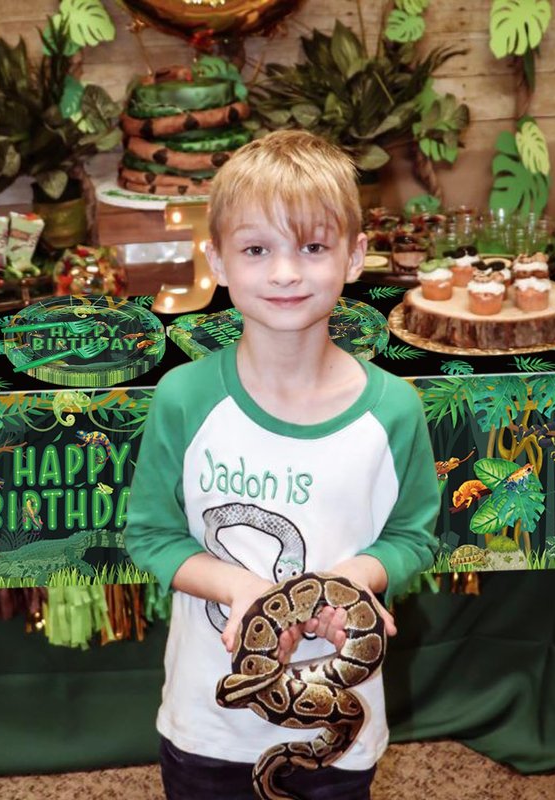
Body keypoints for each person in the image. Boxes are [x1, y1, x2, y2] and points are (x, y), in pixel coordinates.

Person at [124, 129, 440, 799]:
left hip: (341, 728)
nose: (286, 273)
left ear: (355, 257)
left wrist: (353, 579)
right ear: (217, 260)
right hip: (207, 722)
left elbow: (413, 537)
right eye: (257, 250)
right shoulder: (184, 398)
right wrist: (238, 588)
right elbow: (150, 536)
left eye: (313, 248)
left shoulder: (393, 410)